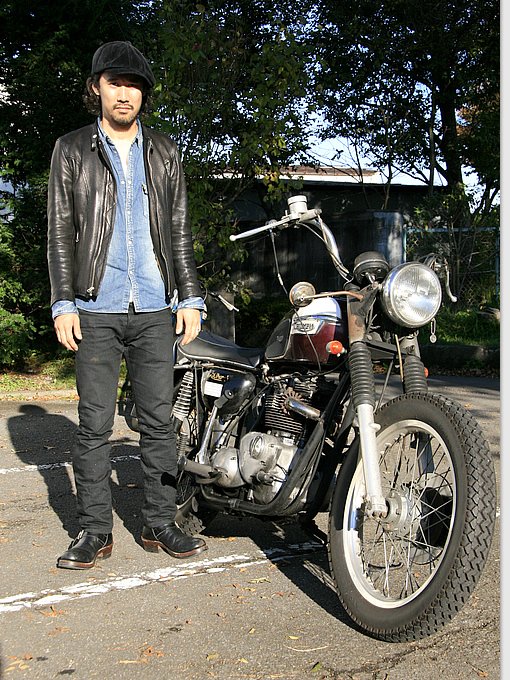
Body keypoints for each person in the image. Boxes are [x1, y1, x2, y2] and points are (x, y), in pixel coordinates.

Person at [47, 40, 207, 569]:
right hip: (95, 307)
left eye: (134, 85)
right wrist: (63, 302)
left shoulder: (164, 151)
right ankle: (94, 531)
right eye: (115, 82)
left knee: (158, 422)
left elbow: (179, 229)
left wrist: (190, 295)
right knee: (94, 426)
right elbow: (60, 232)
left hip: (156, 307)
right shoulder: (72, 149)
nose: (124, 93)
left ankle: (160, 522)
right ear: (96, 88)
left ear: (143, 94)